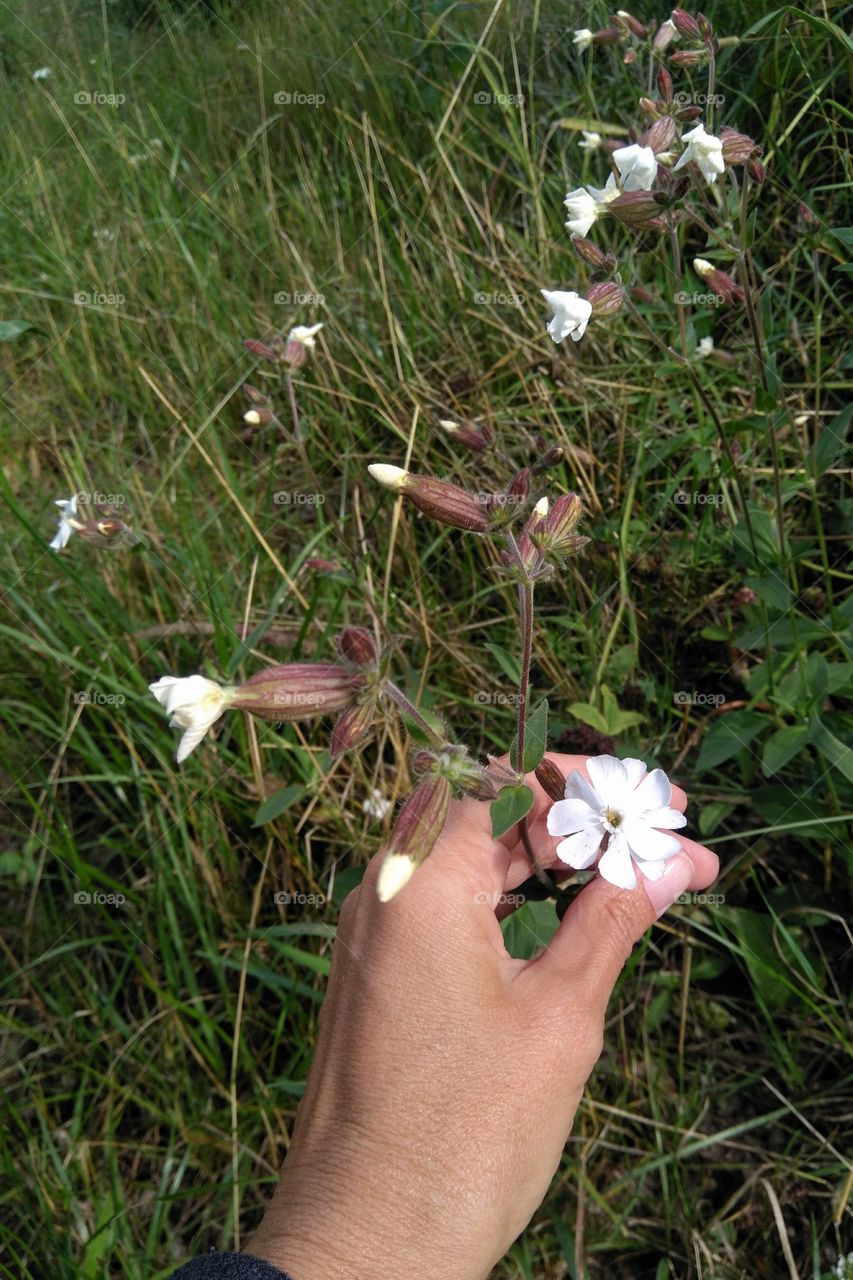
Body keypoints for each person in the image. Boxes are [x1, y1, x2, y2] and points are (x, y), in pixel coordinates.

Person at [171, 754, 719, 1279]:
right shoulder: (564, 814)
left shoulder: (583, 813)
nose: (614, 816)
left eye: (616, 815)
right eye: (613, 814)